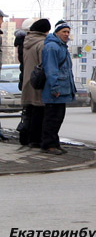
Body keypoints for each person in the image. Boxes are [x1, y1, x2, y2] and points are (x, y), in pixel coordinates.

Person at [40, 20, 76, 154]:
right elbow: (51, 70)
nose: (67, 34)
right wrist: (55, 88)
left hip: (62, 89)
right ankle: (48, 145)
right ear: (57, 33)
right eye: (64, 32)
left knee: (58, 118)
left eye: (68, 32)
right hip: (55, 91)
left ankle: (54, 143)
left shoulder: (61, 47)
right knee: (52, 118)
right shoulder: (52, 47)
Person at [19, 19, 50, 148]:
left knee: (29, 112)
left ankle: (27, 138)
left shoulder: (27, 42)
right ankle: (35, 140)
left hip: (28, 81)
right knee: (39, 111)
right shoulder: (41, 44)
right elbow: (44, 65)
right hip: (38, 83)